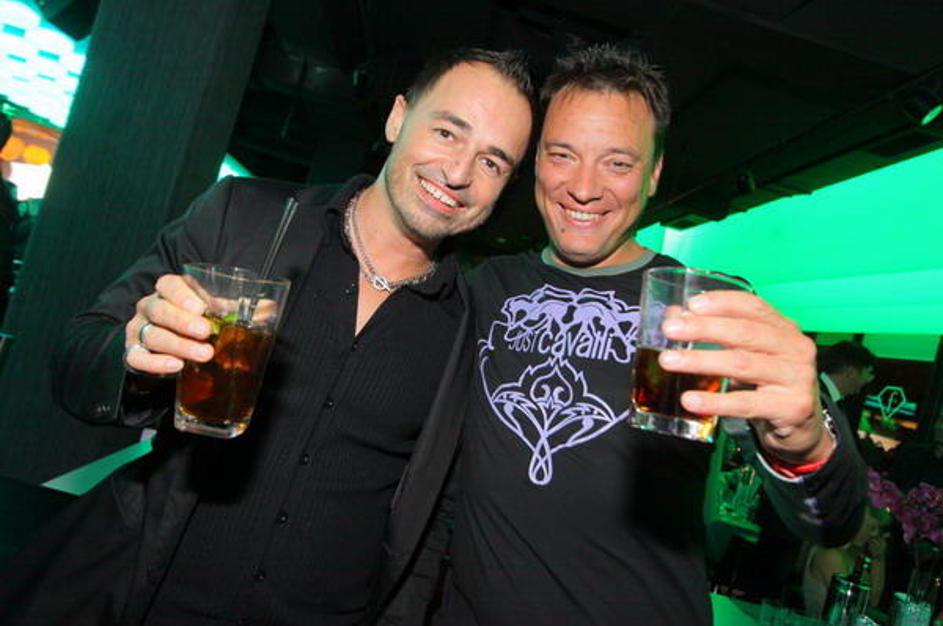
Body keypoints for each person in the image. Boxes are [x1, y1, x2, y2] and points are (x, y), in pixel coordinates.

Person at [0, 48, 534, 626]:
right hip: (152, 601)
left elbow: (436, 518)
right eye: (447, 132)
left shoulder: (473, 327)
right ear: (397, 118)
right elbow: (76, 358)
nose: (458, 173)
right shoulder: (245, 220)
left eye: (492, 162)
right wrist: (135, 355)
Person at [432, 43, 868, 625]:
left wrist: (806, 443)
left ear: (655, 173)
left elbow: (830, 522)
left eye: (617, 163)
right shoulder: (488, 287)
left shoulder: (702, 307)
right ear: (536, 160)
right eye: (562, 155)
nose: (583, 188)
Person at [801, 507, 888, 617]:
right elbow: (853, 609)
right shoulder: (830, 553)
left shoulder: (851, 553)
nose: (875, 534)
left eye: (879, 528)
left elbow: (872, 601)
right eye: (872, 528)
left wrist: (879, 559)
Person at [817, 340, 877, 433]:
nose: (869, 379)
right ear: (851, 372)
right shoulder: (817, 400)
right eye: (869, 372)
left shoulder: (827, 396)